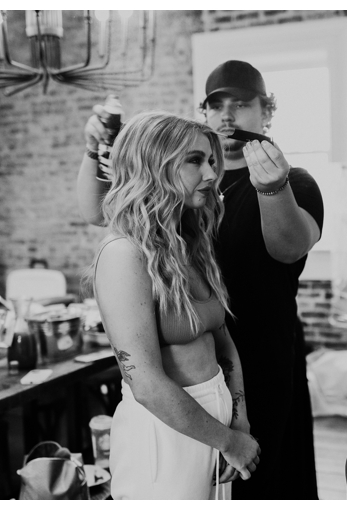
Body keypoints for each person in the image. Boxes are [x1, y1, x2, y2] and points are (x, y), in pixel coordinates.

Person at [75, 60, 323, 499]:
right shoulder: (167, 223)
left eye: (240, 104)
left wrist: (272, 187)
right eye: (215, 105)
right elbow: (102, 212)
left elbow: (289, 247)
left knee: (269, 481)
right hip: (179, 384)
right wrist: (96, 150)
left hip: (261, 357)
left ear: (266, 112)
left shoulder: (291, 183)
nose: (227, 116)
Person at [90, 111, 259, 499]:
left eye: (211, 160)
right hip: (163, 433)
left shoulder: (189, 246)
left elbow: (224, 343)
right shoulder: (123, 254)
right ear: (153, 166)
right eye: (195, 160)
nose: (211, 174)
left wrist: (239, 423)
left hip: (215, 428)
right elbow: (146, 384)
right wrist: (228, 441)